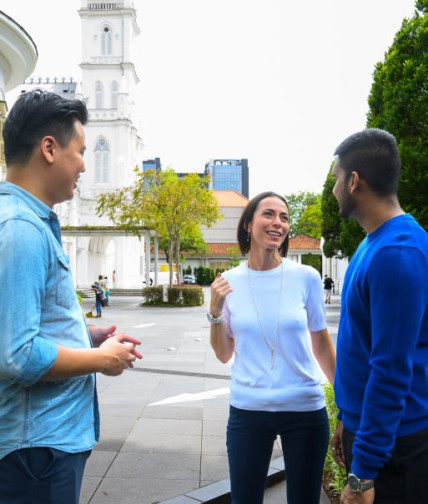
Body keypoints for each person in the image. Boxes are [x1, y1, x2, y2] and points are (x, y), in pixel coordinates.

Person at [0, 89, 143, 504]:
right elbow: (17, 353)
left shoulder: (28, 222)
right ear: (49, 148)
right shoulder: (23, 229)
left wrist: (84, 336)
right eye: (79, 151)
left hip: (41, 445)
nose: (83, 164)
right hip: (37, 450)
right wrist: (102, 359)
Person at [209, 191, 336, 504]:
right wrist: (214, 311)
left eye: (284, 217)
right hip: (248, 409)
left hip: (304, 409)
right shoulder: (228, 282)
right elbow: (224, 353)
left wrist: (346, 401)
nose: (277, 222)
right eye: (268, 214)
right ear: (248, 225)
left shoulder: (306, 277)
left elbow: (321, 344)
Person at [330, 129, 428, 504]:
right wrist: (345, 416)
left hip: (396, 449)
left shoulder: (398, 254)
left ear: (354, 182)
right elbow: (361, 345)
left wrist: (362, 476)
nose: (335, 188)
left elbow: (391, 370)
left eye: (338, 178)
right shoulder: (374, 242)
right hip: (372, 432)